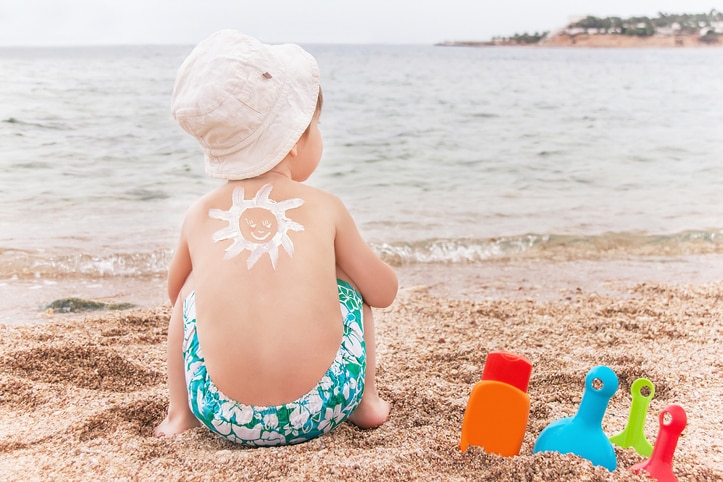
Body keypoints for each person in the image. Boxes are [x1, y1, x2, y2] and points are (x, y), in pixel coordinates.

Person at [153, 30, 397, 447]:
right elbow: (384, 291)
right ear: (294, 140)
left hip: (221, 413)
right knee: (347, 276)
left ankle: (180, 415)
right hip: (326, 403)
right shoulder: (326, 206)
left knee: (193, 284)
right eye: (315, 125)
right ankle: (366, 403)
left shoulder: (198, 214)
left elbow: (175, 294)